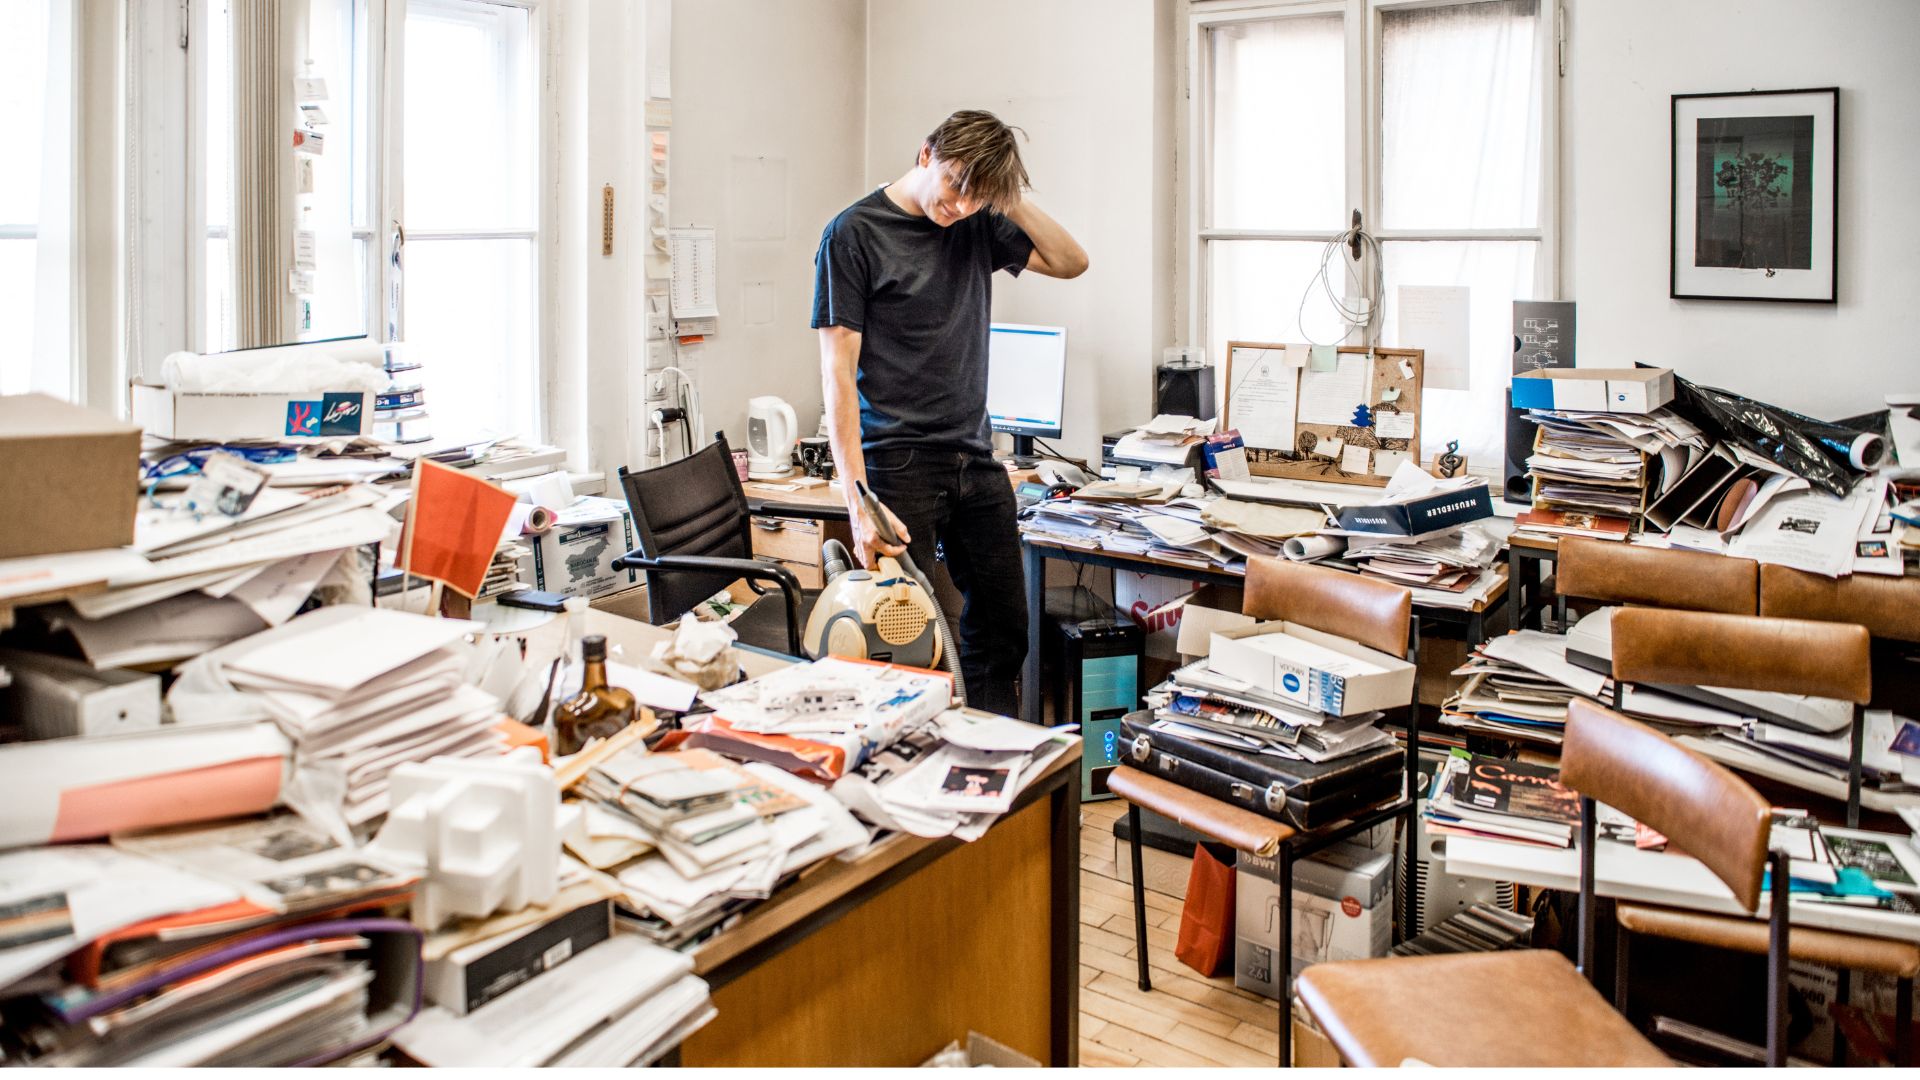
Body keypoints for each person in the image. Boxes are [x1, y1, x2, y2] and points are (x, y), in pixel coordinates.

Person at [811, 109, 1088, 718]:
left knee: (1004, 629)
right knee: (903, 642)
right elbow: (836, 375)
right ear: (925, 153)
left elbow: (1071, 261)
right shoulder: (853, 234)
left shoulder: (979, 224)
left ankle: (991, 758)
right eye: (956, 183)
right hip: (897, 464)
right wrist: (857, 498)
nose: (960, 204)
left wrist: (1005, 199)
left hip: (974, 458)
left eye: (977, 195)